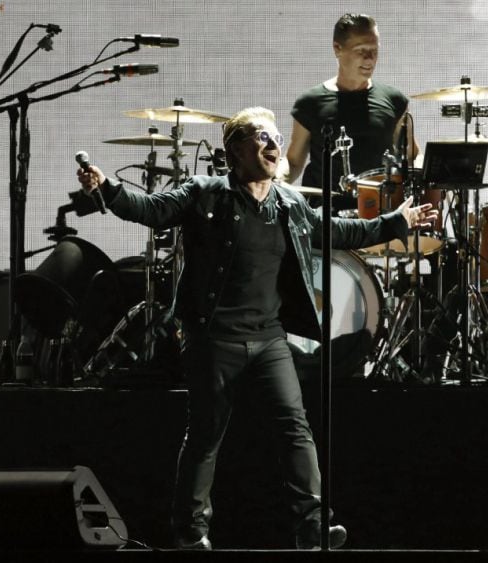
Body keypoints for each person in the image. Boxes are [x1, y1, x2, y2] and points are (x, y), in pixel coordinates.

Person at [77, 107, 437, 550]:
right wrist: (108, 191)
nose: (273, 145)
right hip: (213, 338)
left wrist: (397, 221)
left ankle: (312, 527)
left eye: (274, 137)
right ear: (235, 150)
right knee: (206, 433)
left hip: (269, 339)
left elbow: (338, 231)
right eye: (261, 138)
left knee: (295, 428)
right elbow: (152, 210)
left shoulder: (289, 204)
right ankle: (191, 532)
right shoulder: (206, 193)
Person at [277, 12, 420, 208]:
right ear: (337, 49)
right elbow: (293, 162)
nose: (370, 59)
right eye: (361, 50)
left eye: (375, 50)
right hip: (326, 217)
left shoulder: (394, 100)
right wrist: (275, 178)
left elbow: (412, 156)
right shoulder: (310, 103)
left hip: (379, 215)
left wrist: (430, 177)